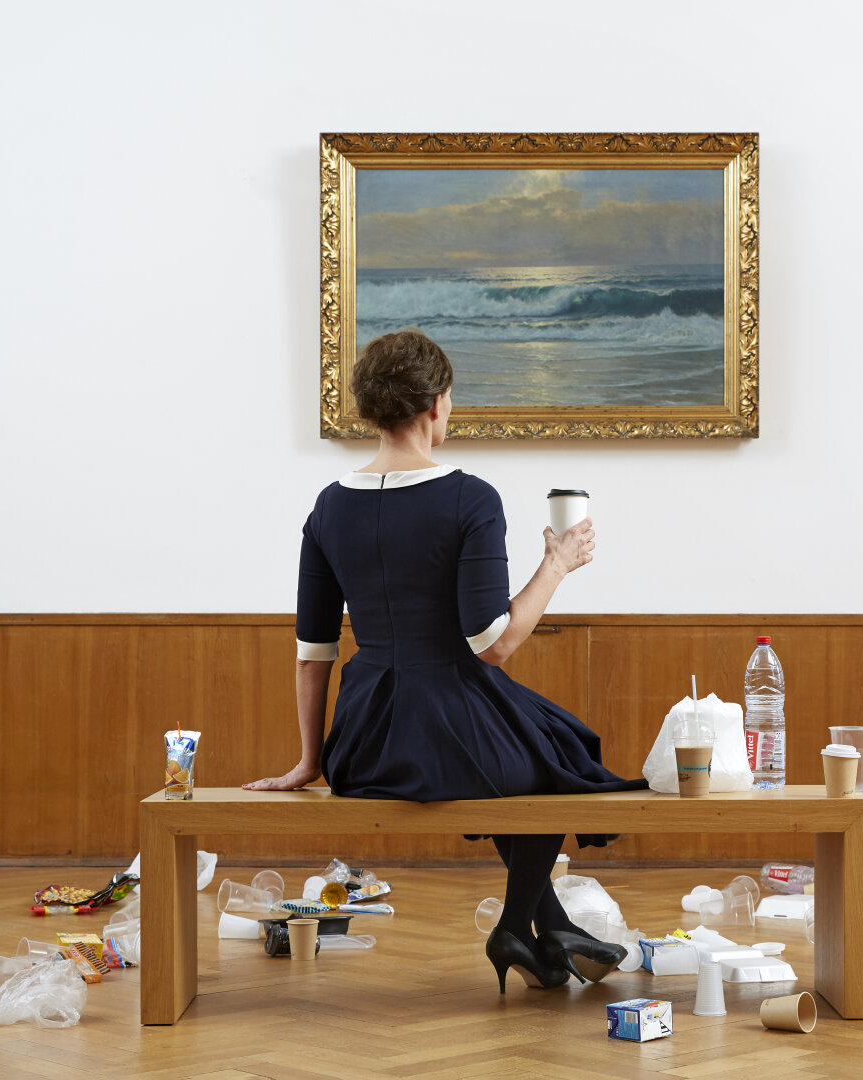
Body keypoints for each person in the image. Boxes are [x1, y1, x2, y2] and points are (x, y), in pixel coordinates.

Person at [243, 328, 647, 993]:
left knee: (531, 745)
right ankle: (514, 925)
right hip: (450, 723)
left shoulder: (328, 507)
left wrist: (311, 761)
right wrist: (556, 564)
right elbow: (494, 644)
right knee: (560, 759)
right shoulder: (470, 498)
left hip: (364, 743)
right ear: (436, 403)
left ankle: (549, 927)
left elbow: (314, 653)